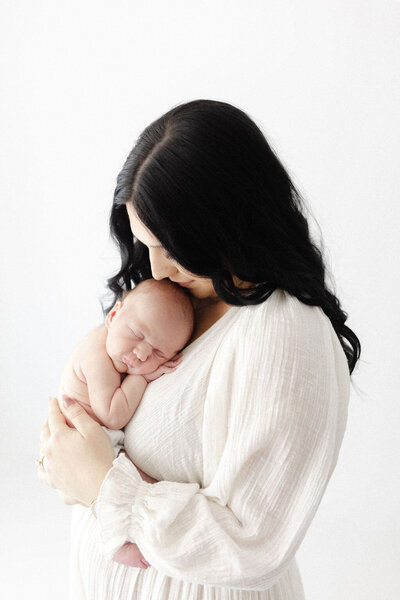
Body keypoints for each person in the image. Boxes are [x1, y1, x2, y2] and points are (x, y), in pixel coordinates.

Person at [37, 99, 361, 600]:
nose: (158, 268)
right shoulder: (176, 300)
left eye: (173, 246)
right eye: (145, 245)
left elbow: (252, 542)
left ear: (229, 221)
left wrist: (103, 484)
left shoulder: (285, 331)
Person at [58, 278, 194, 430]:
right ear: (113, 315)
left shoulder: (112, 340)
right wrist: (141, 378)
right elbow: (113, 417)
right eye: (137, 335)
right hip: (78, 436)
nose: (142, 355)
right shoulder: (97, 360)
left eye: (158, 353)